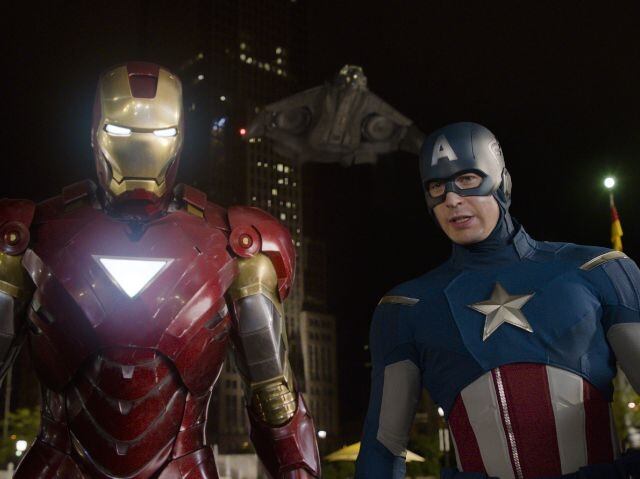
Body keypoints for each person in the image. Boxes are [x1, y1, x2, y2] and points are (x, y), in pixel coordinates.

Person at [0, 62, 319, 478]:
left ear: (179, 137)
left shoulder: (237, 246)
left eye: (160, 133)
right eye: (121, 131)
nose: (140, 149)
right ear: (95, 132)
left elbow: (275, 396)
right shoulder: (27, 236)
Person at [355, 122, 640, 478]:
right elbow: (382, 448)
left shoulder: (601, 271)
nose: (452, 199)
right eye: (437, 186)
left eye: (467, 179)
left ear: (502, 181)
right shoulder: (406, 308)